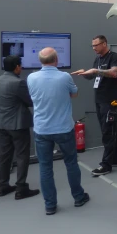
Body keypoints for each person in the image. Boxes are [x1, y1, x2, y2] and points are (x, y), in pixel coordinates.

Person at [27, 47, 90, 215]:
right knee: (71, 163)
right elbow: (74, 94)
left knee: (45, 167)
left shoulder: (31, 77)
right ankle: (78, 197)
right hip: (63, 128)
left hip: (42, 129)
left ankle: (50, 205)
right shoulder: (65, 77)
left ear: (40, 61)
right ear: (56, 60)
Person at [72, 35, 117, 177]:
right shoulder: (98, 59)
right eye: (92, 46)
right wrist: (85, 73)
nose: (94, 48)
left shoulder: (114, 57)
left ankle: (106, 165)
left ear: (104, 44)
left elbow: (114, 73)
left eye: (96, 45)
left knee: (108, 131)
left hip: (110, 100)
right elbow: (93, 76)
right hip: (99, 99)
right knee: (109, 130)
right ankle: (116, 158)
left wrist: (96, 71)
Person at [0, 55, 40, 200]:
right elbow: (30, 101)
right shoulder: (18, 83)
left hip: (1, 124)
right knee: (22, 156)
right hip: (18, 125)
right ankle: (21, 188)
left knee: (4, 156)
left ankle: (2, 186)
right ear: (17, 67)